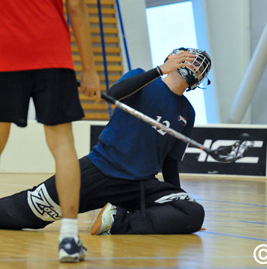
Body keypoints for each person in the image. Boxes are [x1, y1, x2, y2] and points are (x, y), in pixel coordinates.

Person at [0, 47, 210, 245]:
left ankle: (116, 219)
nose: (196, 67)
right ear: (171, 58)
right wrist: (158, 71)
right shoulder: (141, 79)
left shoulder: (187, 113)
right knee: (19, 214)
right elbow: (115, 94)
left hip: (141, 186)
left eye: (201, 68)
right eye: (191, 60)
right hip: (99, 171)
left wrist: (176, 215)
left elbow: (170, 163)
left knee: (193, 212)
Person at [0, 0, 101, 263]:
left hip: (5, 56)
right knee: (62, 144)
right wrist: (89, 69)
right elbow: (77, 8)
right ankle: (68, 238)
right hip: (52, 56)